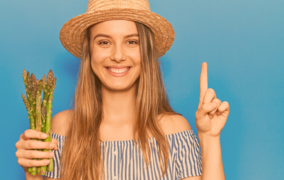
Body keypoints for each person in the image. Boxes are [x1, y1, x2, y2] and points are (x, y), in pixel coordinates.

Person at [15, 0, 230, 180]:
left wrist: (210, 138)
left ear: (145, 51)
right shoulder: (62, 129)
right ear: (89, 52)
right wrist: (31, 172)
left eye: (132, 42)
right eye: (104, 42)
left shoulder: (174, 131)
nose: (118, 55)